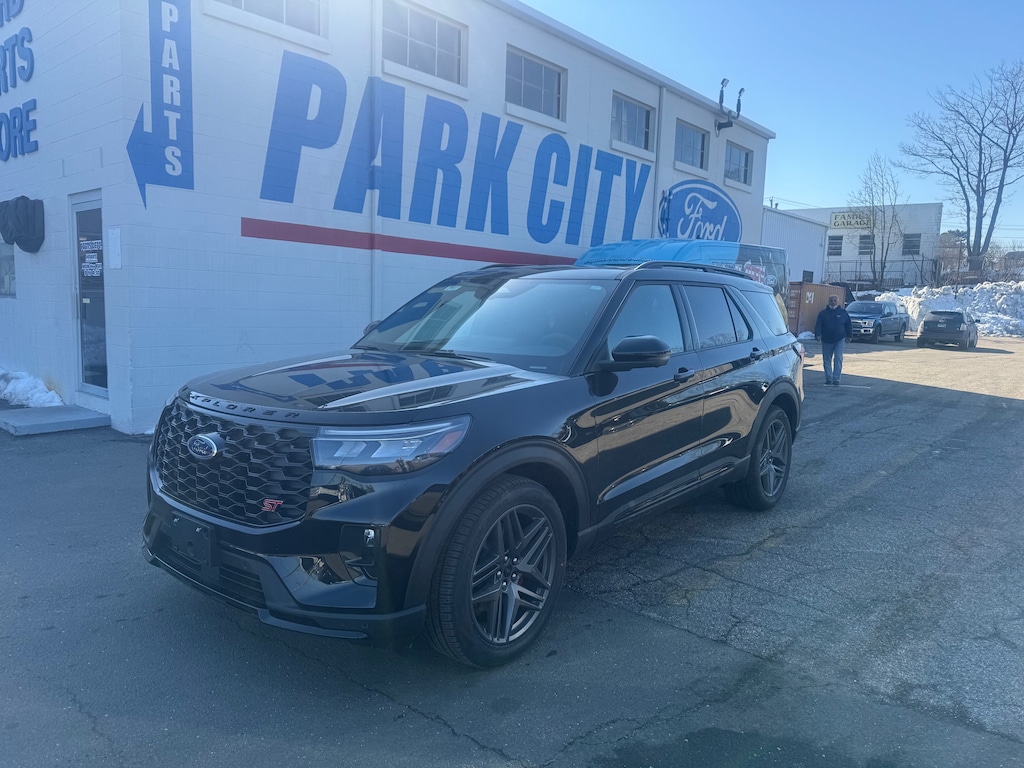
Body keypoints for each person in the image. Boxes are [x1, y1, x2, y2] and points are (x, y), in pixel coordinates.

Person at [814, 294, 852, 386]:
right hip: (826, 339)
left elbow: (848, 324)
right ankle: (829, 378)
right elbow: (818, 325)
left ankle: (836, 379)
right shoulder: (823, 313)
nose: (833, 302)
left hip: (840, 339)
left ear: (838, 302)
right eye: (831, 300)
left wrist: (849, 335)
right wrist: (817, 335)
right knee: (827, 359)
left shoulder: (843, 313)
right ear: (828, 302)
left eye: (835, 300)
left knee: (838, 358)